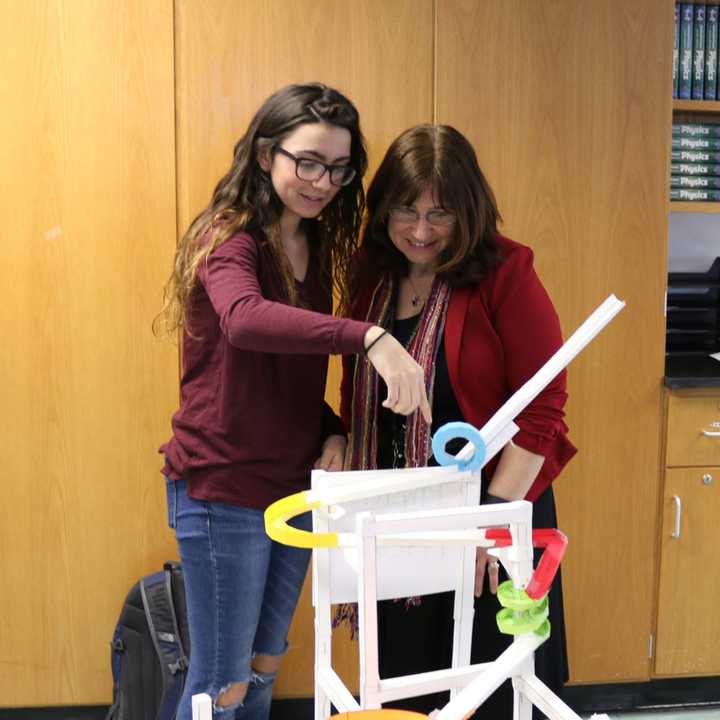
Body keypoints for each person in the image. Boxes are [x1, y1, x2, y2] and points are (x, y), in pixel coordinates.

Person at [154, 83, 431, 720]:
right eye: (307, 161)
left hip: (293, 486)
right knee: (220, 684)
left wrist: (331, 429)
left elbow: (285, 376)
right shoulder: (230, 239)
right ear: (263, 155)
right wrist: (369, 337)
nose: (322, 181)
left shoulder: (312, 245)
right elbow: (245, 321)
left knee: (261, 667)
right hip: (223, 486)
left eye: (338, 167)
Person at [340, 124, 577, 719]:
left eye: (440, 213)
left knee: (489, 688)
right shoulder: (371, 277)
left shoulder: (506, 273)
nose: (420, 231)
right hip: (399, 520)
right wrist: (338, 437)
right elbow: (354, 390)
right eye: (405, 210)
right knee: (404, 687)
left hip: (491, 514)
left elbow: (542, 411)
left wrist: (486, 526)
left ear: (468, 211)